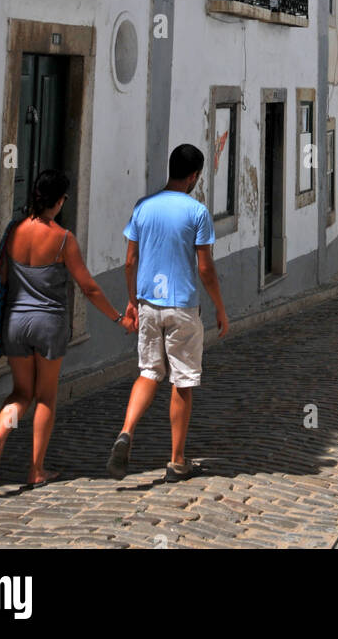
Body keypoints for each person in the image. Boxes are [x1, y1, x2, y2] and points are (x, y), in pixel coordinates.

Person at [0, 169, 134, 487]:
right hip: (48, 325)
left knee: (20, 394)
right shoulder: (63, 239)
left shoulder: (13, 232)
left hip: (15, 323)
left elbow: (5, 279)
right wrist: (118, 317)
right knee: (46, 397)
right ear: (60, 200)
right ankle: (36, 469)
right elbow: (88, 288)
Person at [107, 143, 229, 483]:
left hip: (148, 304)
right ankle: (176, 461)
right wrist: (220, 308)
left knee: (148, 371)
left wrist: (132, 300)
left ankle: (127, 431)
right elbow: (205, 269)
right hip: (182, 307)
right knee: (182, 380)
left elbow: (130, 260)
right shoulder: (197, 212)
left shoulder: (143, 207)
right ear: (193, 177)